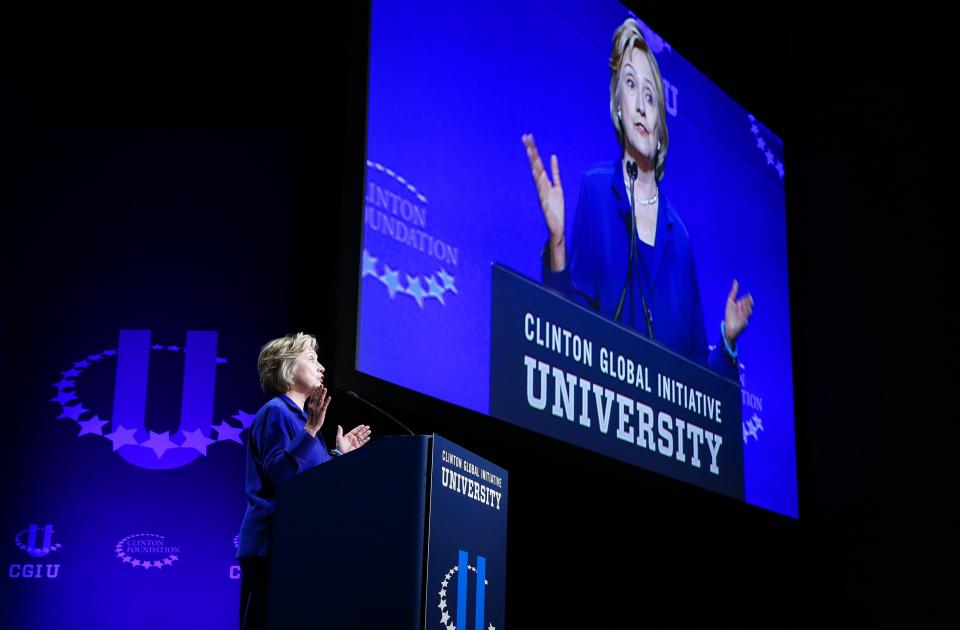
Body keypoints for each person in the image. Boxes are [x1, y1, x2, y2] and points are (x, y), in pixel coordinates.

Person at [521, 17, 754, 381]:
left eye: (651, 96)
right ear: (618, 108)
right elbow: (565, 327)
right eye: (631, 86)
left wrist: (726, 341)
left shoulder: (681, 240)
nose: (643, 106)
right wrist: (558, 242)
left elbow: (695, 377)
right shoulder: (597, 190)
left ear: (660, 128)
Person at [236, 332, 372, 630]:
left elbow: (312, 485)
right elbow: (279, 475)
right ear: (287, 368)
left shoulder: (308, 425)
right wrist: (310, 429)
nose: (321, 366)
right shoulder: (276, 412)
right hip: (271, 546)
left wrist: (339, 453)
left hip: (299, 544)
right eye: (311, 359)